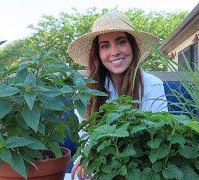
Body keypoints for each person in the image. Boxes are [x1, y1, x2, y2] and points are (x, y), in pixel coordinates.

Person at [67, 11, 168, 180]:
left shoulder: (153, 85)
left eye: (121, 42)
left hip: (143, 167)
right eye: (105, 46)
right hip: (102, 169)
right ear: (97, 53)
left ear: (132, 46)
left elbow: (159, 135)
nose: (114, 52)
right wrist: (86, 158)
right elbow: (87, 140)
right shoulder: (86, 91)